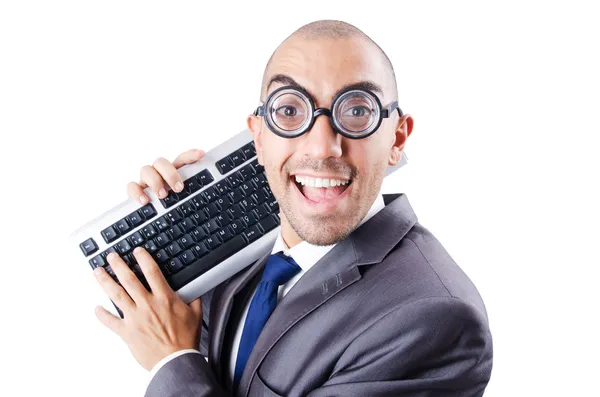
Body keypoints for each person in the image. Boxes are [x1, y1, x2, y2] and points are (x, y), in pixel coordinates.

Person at [92, 20, 493, 397]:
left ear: (397, 139)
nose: (322, 147)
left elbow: (180, 358)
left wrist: (171, 363)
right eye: (289, 111)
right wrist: (174, 236)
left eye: (357, 111)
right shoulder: (254, 251)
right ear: (259, 137)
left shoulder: (436, 319)